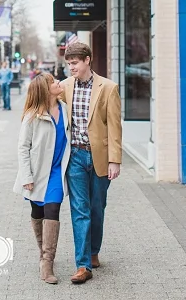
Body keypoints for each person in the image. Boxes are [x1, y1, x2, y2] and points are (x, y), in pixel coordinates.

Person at [60, 42, 122, 285]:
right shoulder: (64, 87)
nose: (71, 67)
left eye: (75, 63)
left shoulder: (108, 88)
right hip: (74, 156)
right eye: (69, 64)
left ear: (87, 60)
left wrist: (114, 160)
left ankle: (94, 250)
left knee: (97, 208)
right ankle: (83, 264)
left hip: (99, 157)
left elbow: (115, 127)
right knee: (79, 210)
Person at [13, 71, 70, 284]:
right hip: (37, 174)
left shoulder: (65, 109)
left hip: (56, 172)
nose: (58, 82)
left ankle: (47, 262)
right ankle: (42, 252)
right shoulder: (32, 116)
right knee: (37, 211)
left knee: (52, 209)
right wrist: (26, 176)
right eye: (53, 81)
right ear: (45, 90)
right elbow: (23, 148)